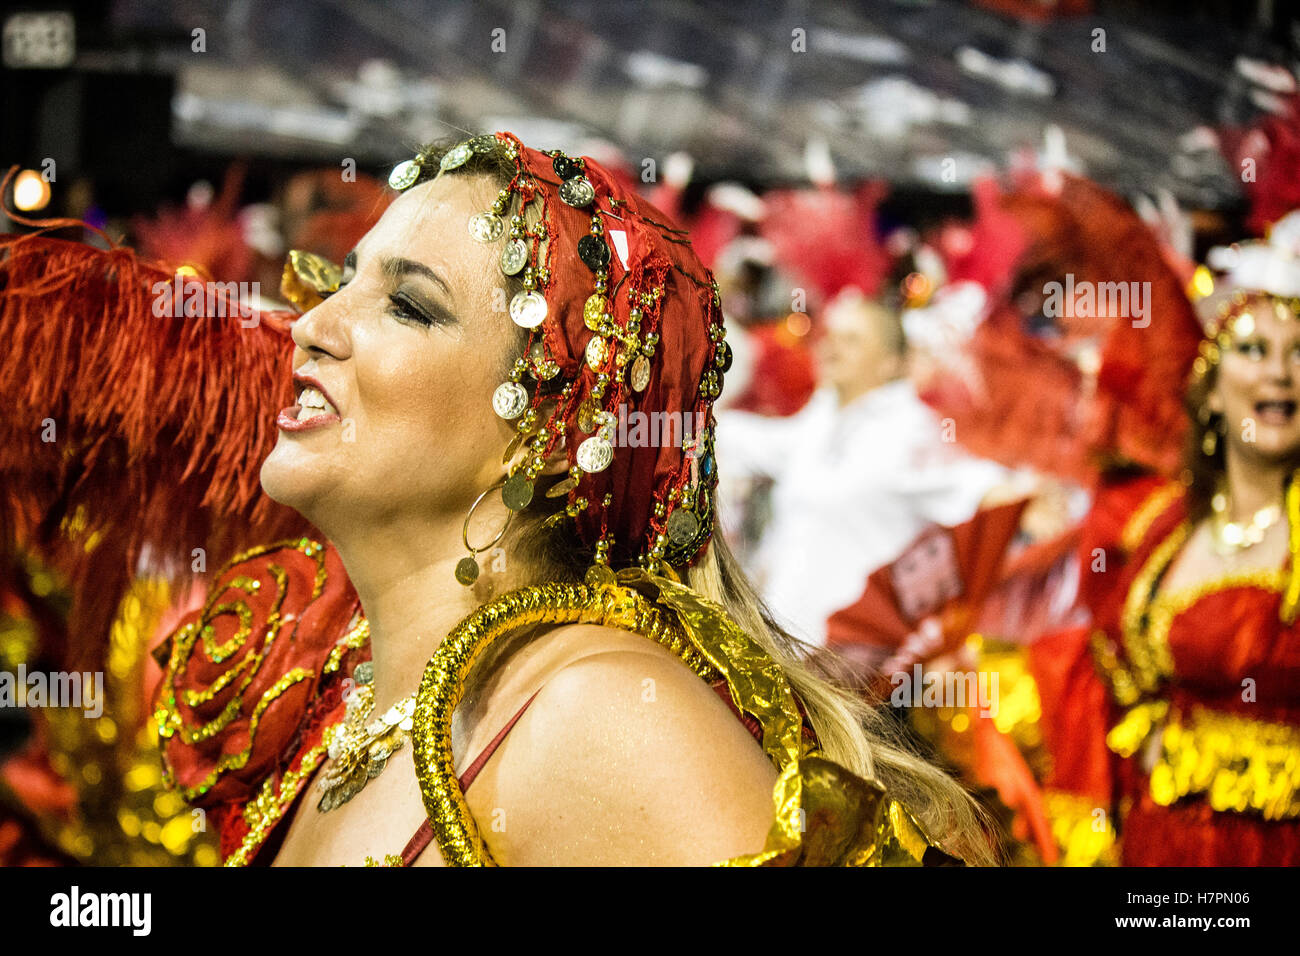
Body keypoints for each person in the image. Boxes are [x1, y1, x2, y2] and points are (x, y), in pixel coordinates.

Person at [137, 134, 995, 866]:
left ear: (545, 430)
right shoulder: (336, 692)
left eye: (406, 305)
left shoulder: (598, 713)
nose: (310, 323)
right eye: (343, 278)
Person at [1028, 219, 1300, 864]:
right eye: (1254, 351)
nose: (1280, 375)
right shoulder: (1156, 529)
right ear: (1209, 391)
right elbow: (1112, 693)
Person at [715, 287, 1008, 648]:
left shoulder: (912, 430)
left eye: (851, 340)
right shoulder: (821, 420)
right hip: (782, 654)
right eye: (832, 336)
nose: (831, 347)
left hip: (852, 670)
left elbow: (989, 490)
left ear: (889, 362)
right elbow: (749, 440)